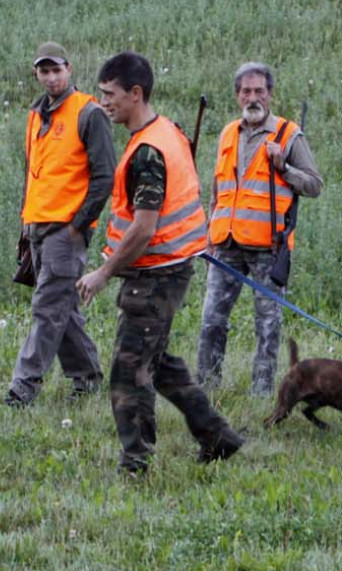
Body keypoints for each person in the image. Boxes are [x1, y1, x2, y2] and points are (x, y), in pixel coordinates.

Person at [76, 52, 243, 471]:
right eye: (100, 94)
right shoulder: (166, 130)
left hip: (154, 276)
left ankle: (137, 463)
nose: (103, 103)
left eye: (110, 94)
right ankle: (217, 436)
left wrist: (103, 271)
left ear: (136, 93)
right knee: (158, 361)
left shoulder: (149, 151)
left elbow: (144, 228)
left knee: (128, 373)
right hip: (170, 267)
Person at [196, 62, 324, 397]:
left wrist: (284, 166)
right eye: (246, 91)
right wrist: (210, 234)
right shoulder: (227, 133)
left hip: (268, 246)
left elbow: (314, 185)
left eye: (259, 91)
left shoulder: (288, 134)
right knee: (212, 320)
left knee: (267, 325)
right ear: (238, 95)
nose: (253, 97)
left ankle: (262, 393)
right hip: (224, 243)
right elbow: (218, 189)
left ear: (270, 94)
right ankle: (206, 387)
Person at [5, 44, 113, 408]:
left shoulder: (89, 112)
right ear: (36, 73)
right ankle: (88, 378)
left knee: (47, 308)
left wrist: (78, 225)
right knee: (62, 306)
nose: (51, 77)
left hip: (64, 230)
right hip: (37, 226)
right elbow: (32, 174)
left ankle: (22, 389)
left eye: (56, 70)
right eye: (44, 71)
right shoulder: (36, 115)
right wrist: (25, 224)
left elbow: (105, 177)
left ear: (69, 69)